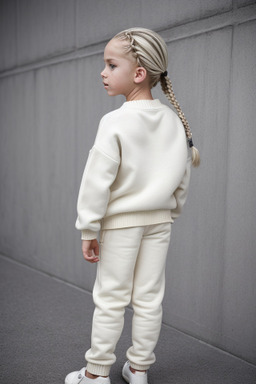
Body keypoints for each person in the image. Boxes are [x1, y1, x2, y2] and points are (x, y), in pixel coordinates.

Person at [65, 27, 200, 384]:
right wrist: (170, 211)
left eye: (111, 65)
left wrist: (89, 228)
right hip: (160, 223)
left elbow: (97, 181)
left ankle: (95, 376)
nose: (103, 72)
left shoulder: (114, 121)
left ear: (138, 73)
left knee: (111, 298)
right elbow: (182, 176)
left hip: (121, 225)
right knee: (149, 299)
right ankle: (138, 369)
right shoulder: (174, 121)